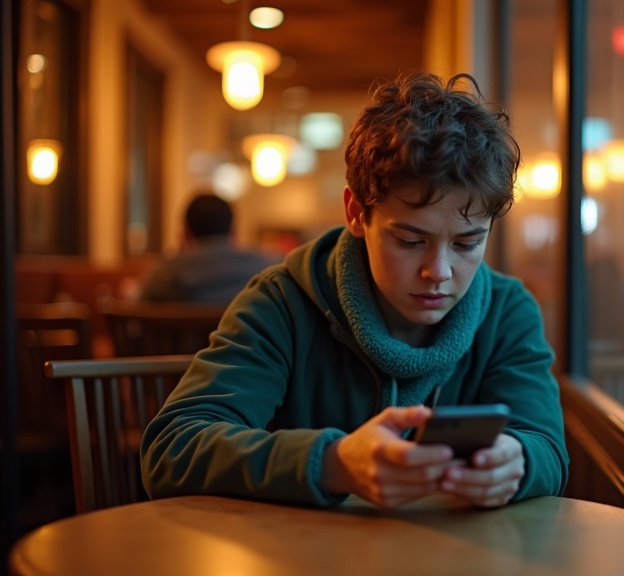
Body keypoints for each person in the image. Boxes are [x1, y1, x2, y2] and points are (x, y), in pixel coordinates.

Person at [140, 72, 569, 510]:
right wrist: (331, 463)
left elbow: (548, 450)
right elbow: (172, 449)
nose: (437, 272)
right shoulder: (281, 301)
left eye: (467, 243)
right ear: (355, 212)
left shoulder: (508, 310)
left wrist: (517, 462)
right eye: (410, 241)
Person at [138, 192, 277, 304]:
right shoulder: (266, 267)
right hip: (246, 340)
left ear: (186, 234)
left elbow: (138, 307)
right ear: (233, 232)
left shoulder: (164, 274)